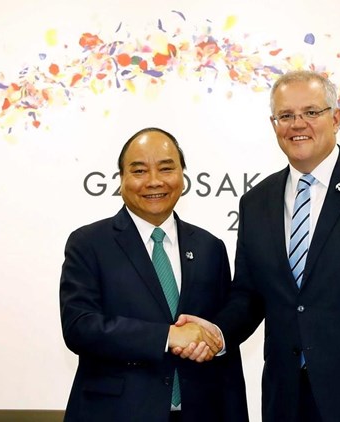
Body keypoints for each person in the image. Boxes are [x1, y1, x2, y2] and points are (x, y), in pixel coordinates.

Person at [176, 71, 340, 422]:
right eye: (286, 116)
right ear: (274, 125)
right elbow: (249, 295)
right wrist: (216, 333)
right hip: (288, 399)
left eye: (311, 112)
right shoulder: (257, 201)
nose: (297, 124)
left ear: (336, 118)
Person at [59, 128, 249, 422]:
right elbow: (80, 327)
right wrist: (168, 336)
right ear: (121, 178)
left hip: (200, 412)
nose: (154, 181)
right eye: (139, 170)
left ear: (183, 176)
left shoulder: (210, 247)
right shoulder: (89, 243)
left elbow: (219, 338)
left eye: (166, 168)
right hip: (116, 413)